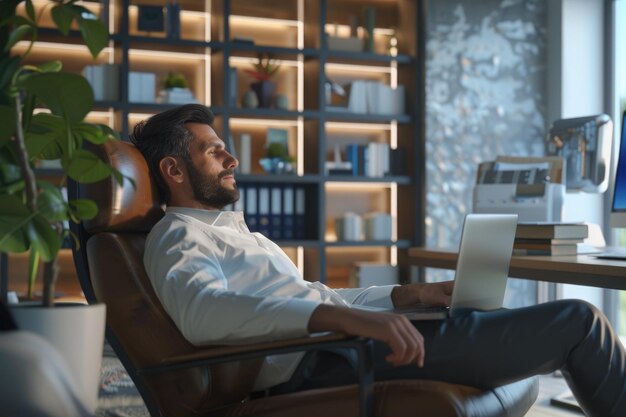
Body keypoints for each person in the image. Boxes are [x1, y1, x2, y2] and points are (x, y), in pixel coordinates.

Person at [130, 104, 626, 417]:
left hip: (335, 347)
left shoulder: (242, 235)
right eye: (214, 153)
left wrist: (404, 297)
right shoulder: (177, 237)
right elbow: (203, 312)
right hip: (319, 366)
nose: (232, 160)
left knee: (479, 315)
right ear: (173, 169)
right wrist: (345, 318)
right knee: (577, 321)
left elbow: (315, 298)